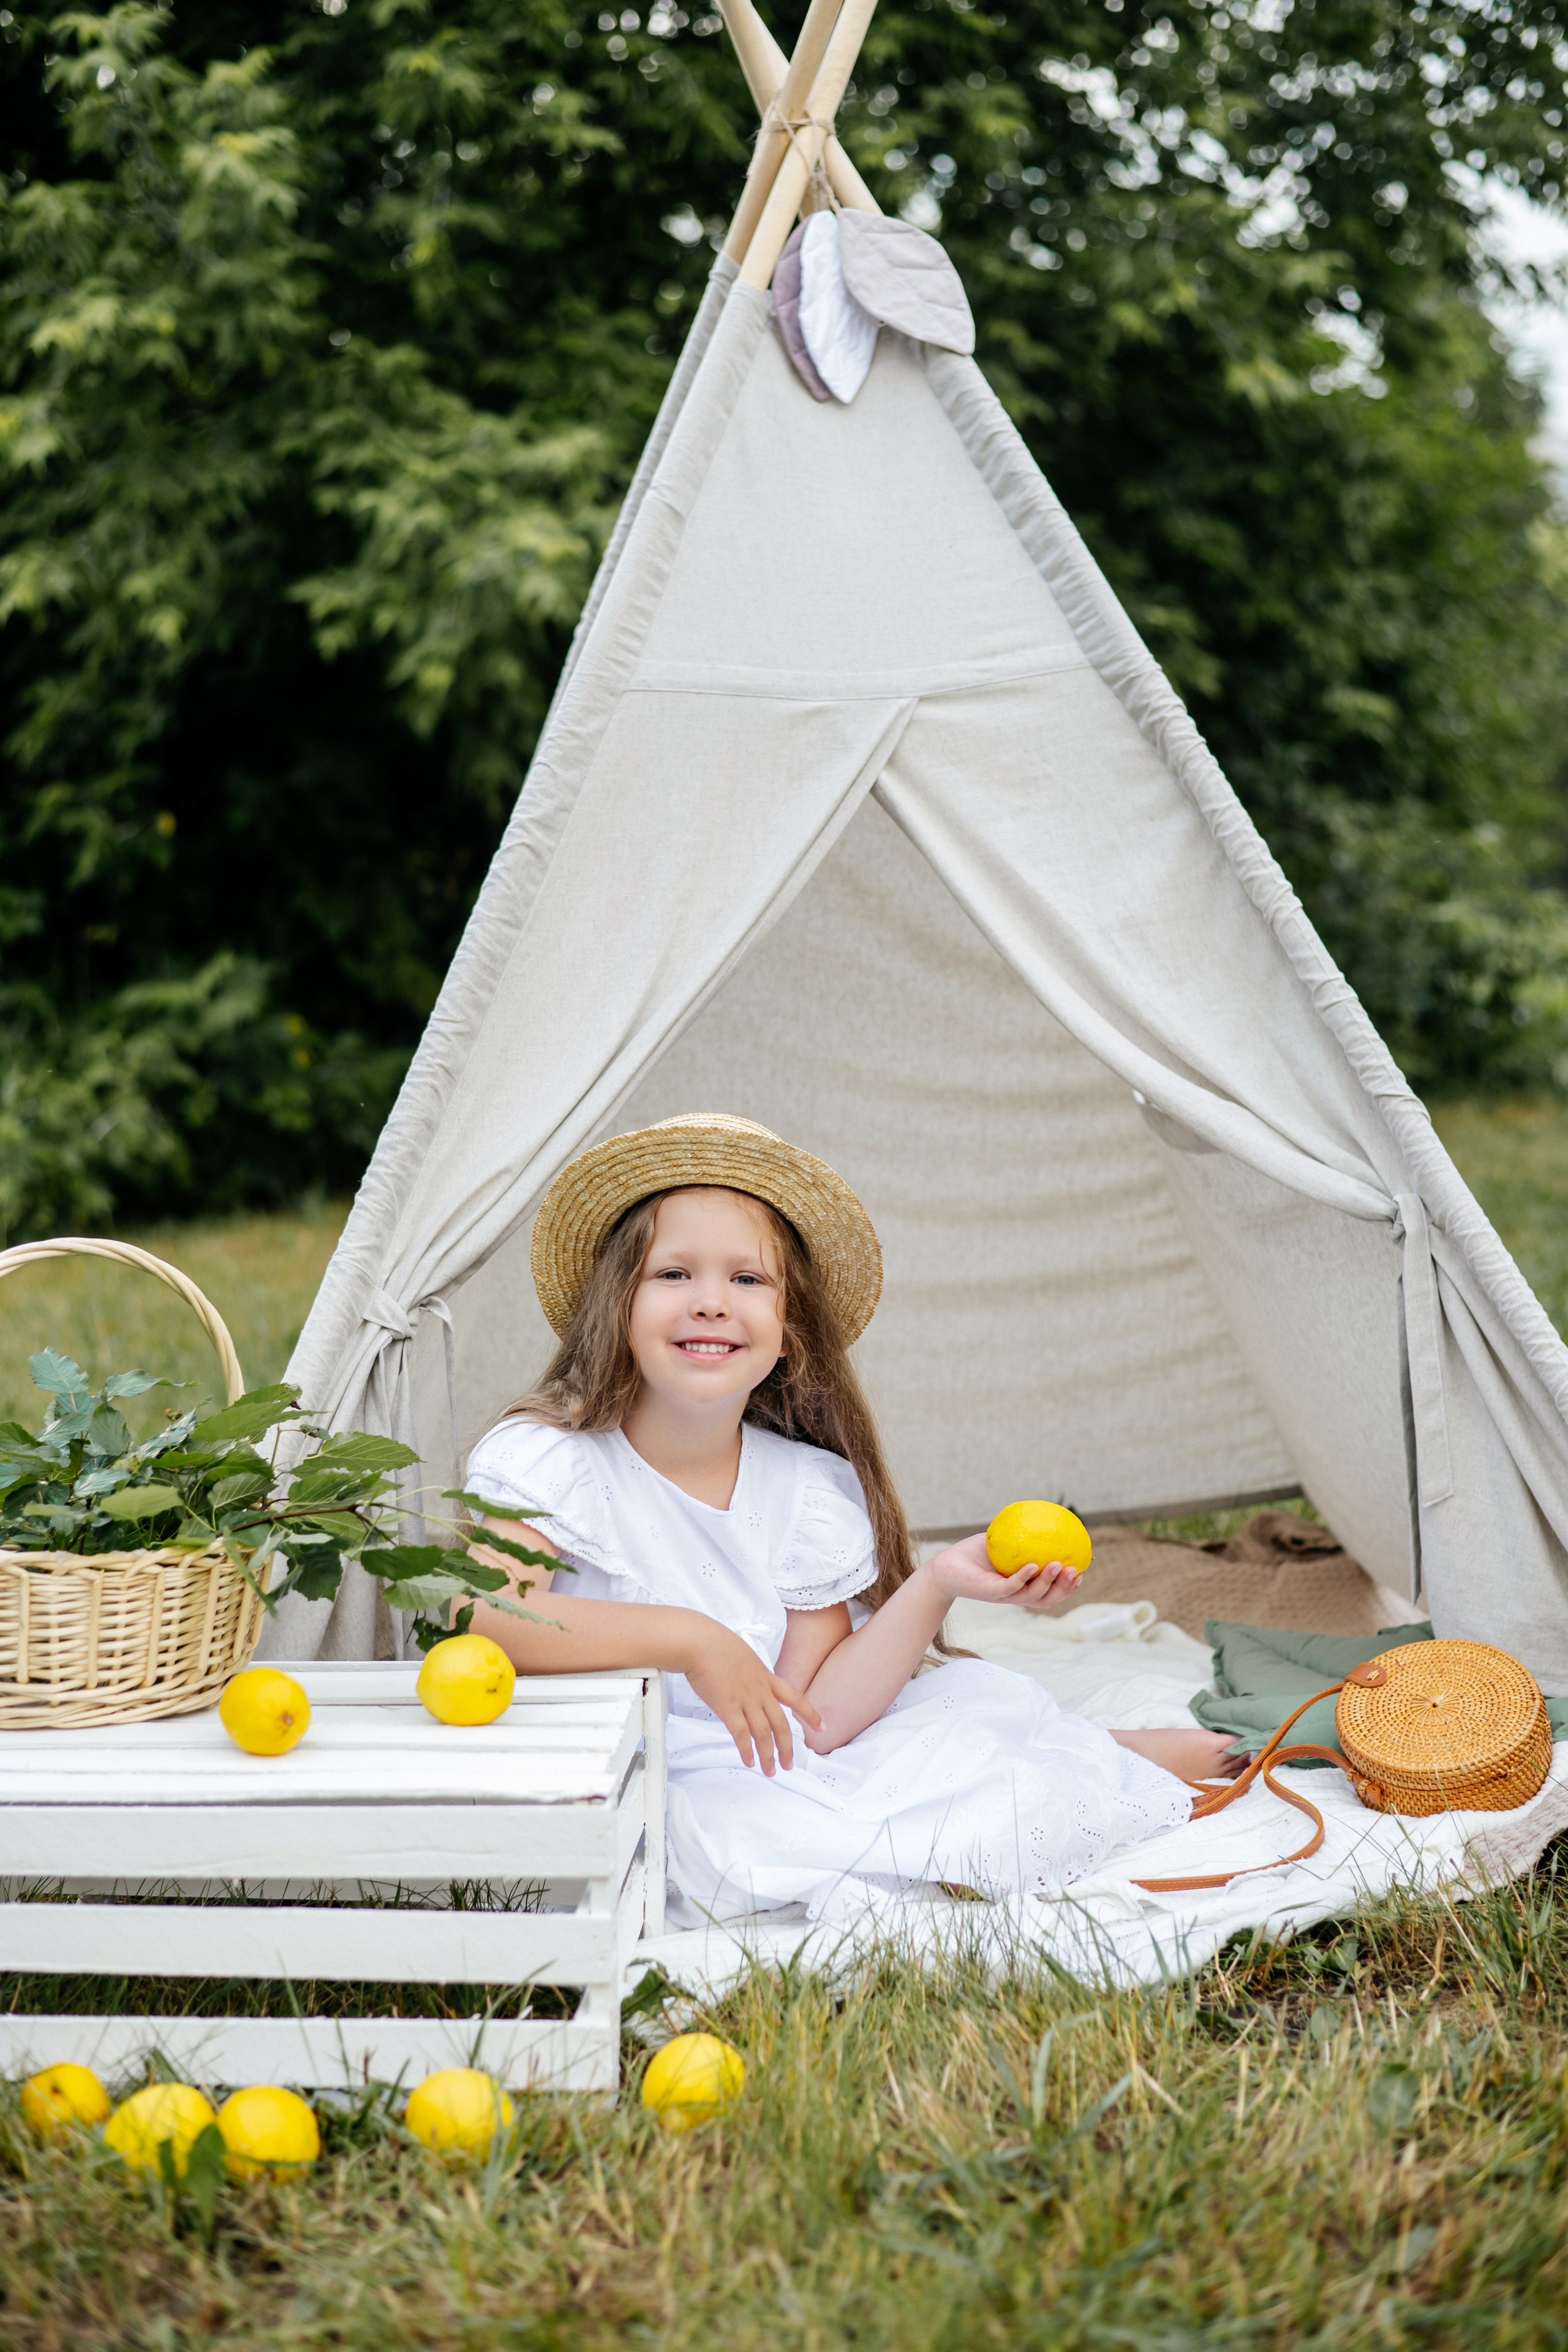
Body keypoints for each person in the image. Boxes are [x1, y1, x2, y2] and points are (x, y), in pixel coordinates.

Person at [464, 1115, 1234, 1926]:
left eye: (748, 1281)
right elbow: (483, 1613)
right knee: (748, 1841)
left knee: (959, 1733)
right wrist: (694, 1639)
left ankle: (1107, 1757)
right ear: (615, 1305)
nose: (712, 1303)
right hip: (628, 1763)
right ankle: (1092, 1766)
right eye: (674, 1274)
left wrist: (937, 1584)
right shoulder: (550, 1457)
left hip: (766, 1765)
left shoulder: (806, 1489)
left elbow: (817, 1724)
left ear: (791, 1335)